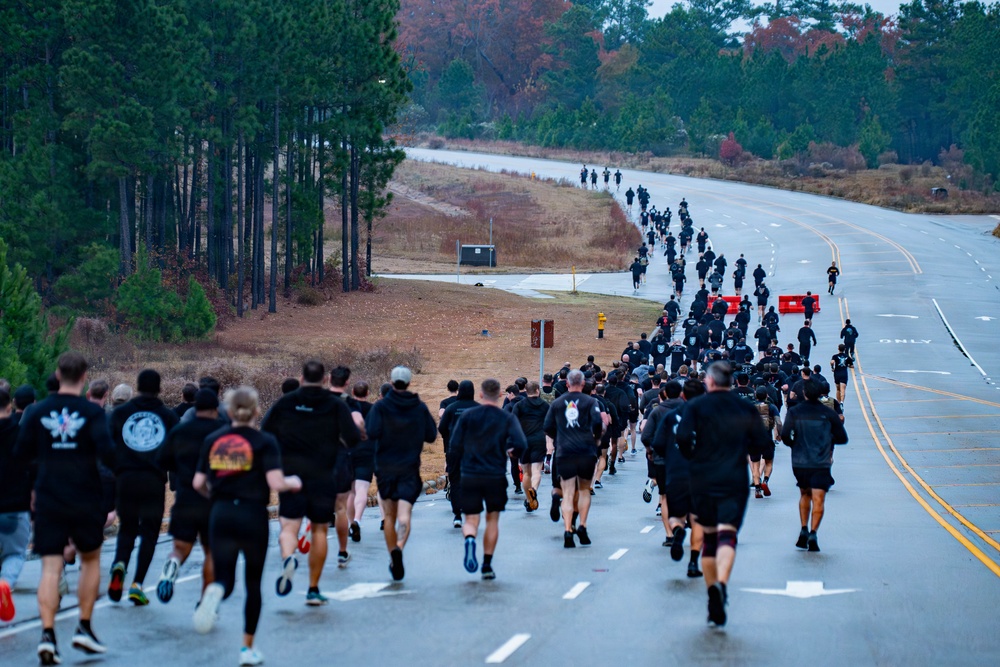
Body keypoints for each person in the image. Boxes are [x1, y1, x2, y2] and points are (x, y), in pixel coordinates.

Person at [14, 352, 115, 664]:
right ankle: (84, 625)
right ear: (84, 378)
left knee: (50, 566)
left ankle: (47, 634)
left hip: (49, 496)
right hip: (84, 495)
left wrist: (34, 484)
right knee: (90, 559)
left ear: (58, 375)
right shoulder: (93, 413)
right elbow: (108, 455)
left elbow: (21, 456)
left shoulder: (37, 412)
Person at [191, 387, 303, 666]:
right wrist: (293, 482)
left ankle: (215, 591)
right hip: (252, 515)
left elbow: (197, 483)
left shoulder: (213, 440)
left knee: (224, 578)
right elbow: (276, 482)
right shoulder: (264, 441)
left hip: (221, 513)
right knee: (253, 583)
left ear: (228, 411)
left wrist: (214, 496)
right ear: (256, 411)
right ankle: (247, 648)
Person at [676, 362, 771, 627]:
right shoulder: (745, 407)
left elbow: (682, 437)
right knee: (728, 534)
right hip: (733, 478)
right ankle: (722, 583)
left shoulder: (696, 406)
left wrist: (693, 456)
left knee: (708, 537)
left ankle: (711, 592)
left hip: (703, 477)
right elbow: (763, 443)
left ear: (709, 381)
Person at [261, 361, 360, 605]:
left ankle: (288, 558)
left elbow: (265, 431)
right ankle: (313, 589)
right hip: (323, 476)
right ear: (325, 379)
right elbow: (353, 438)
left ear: (301, 378)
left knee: (289, 527)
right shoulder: (335, 405)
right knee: (318, 530)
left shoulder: (286, 402)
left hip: (291, 476)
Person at [107, 369, 180, 606]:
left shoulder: (121, 413)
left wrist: (116, 469)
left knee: (127, 528)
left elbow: (107, 446)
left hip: (125, 479)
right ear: (159, 388)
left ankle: (119, 565)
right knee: (149, 532)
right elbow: (176, 451)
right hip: (153, 481)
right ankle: (137, 584)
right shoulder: (167, 416)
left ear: (137, 387)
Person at [365, 366, 437, 581]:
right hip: (409, 468)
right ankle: (399, 546)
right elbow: (431, 435)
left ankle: (393, 554)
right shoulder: (419, 407)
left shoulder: (380, 407)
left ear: (391, 382)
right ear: (409, 383)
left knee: (389, 516)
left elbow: (371, 432)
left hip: (385, 468)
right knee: (404, 515)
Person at [450, 379, 527, 580]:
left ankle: (469, 538)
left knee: (471, 519)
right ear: (500, 394)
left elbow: (455, 445)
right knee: (492, 519)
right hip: (494, 474)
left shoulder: (468, 416)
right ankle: (486, 564)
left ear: (481, 394)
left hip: (470, 473)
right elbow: (521, 443)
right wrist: (512, 452)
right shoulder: (506, 418)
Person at [156, 388, 223, 604]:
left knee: (180, 547)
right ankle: (204, 603)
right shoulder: (222, 431)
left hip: (185, 497)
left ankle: (173, 564)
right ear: (215, 409)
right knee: (211, 552)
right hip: (213, 499)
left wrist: (182, 469)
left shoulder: (180, 431)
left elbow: (163, 460)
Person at [781, 379, 849, 552]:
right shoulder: (828, 413)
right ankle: (813, 533)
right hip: (821, 461)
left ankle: (803, 528)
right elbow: (842, 437)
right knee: (819, 498)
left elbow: (785, 435)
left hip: (800, 461)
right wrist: (827, 441)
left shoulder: (795, 411)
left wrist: (795, 445)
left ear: (804, 393)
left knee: (804, 494)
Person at [543, 370, 604, 548]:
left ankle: (568, 529)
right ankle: (582, 525)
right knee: (584, 490)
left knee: (568, 493)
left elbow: (547, 426)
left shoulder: (557, 403)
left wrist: (559, 437)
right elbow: (597, 423)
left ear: (567, 384)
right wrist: (596, 438)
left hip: (565, 451)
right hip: (586, 450)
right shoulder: (591, 402)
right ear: (583, 384)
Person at [0, 387, 31, 622]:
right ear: (10, 405)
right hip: (15, 506)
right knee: (15, 553)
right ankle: (5, 583)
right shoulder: (21, 434)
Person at [439, 381, 479, 527]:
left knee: (455, 481)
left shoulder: (451, 408)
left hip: (455, 449)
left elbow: (442, 427)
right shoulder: (478, 408)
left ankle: (457, 514)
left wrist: (449, 438)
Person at [510, 382, 549, 513]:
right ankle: (534, 491)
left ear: (526, 391)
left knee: (526, 472)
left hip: (523, 440)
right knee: (537, 470)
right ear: (538, 390)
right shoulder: (545, 405)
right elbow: (550, 423)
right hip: (539, 439)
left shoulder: (519, 405)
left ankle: (528, 499)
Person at [749, 388, 781, 499]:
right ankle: (765, 481)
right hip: (767, 438)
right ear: (767, 395)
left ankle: (757, 488)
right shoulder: (772, 407)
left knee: (755, 464)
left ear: (755, 395)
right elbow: (778, 422)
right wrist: (779, 434)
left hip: (753, 439)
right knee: (769, 462)